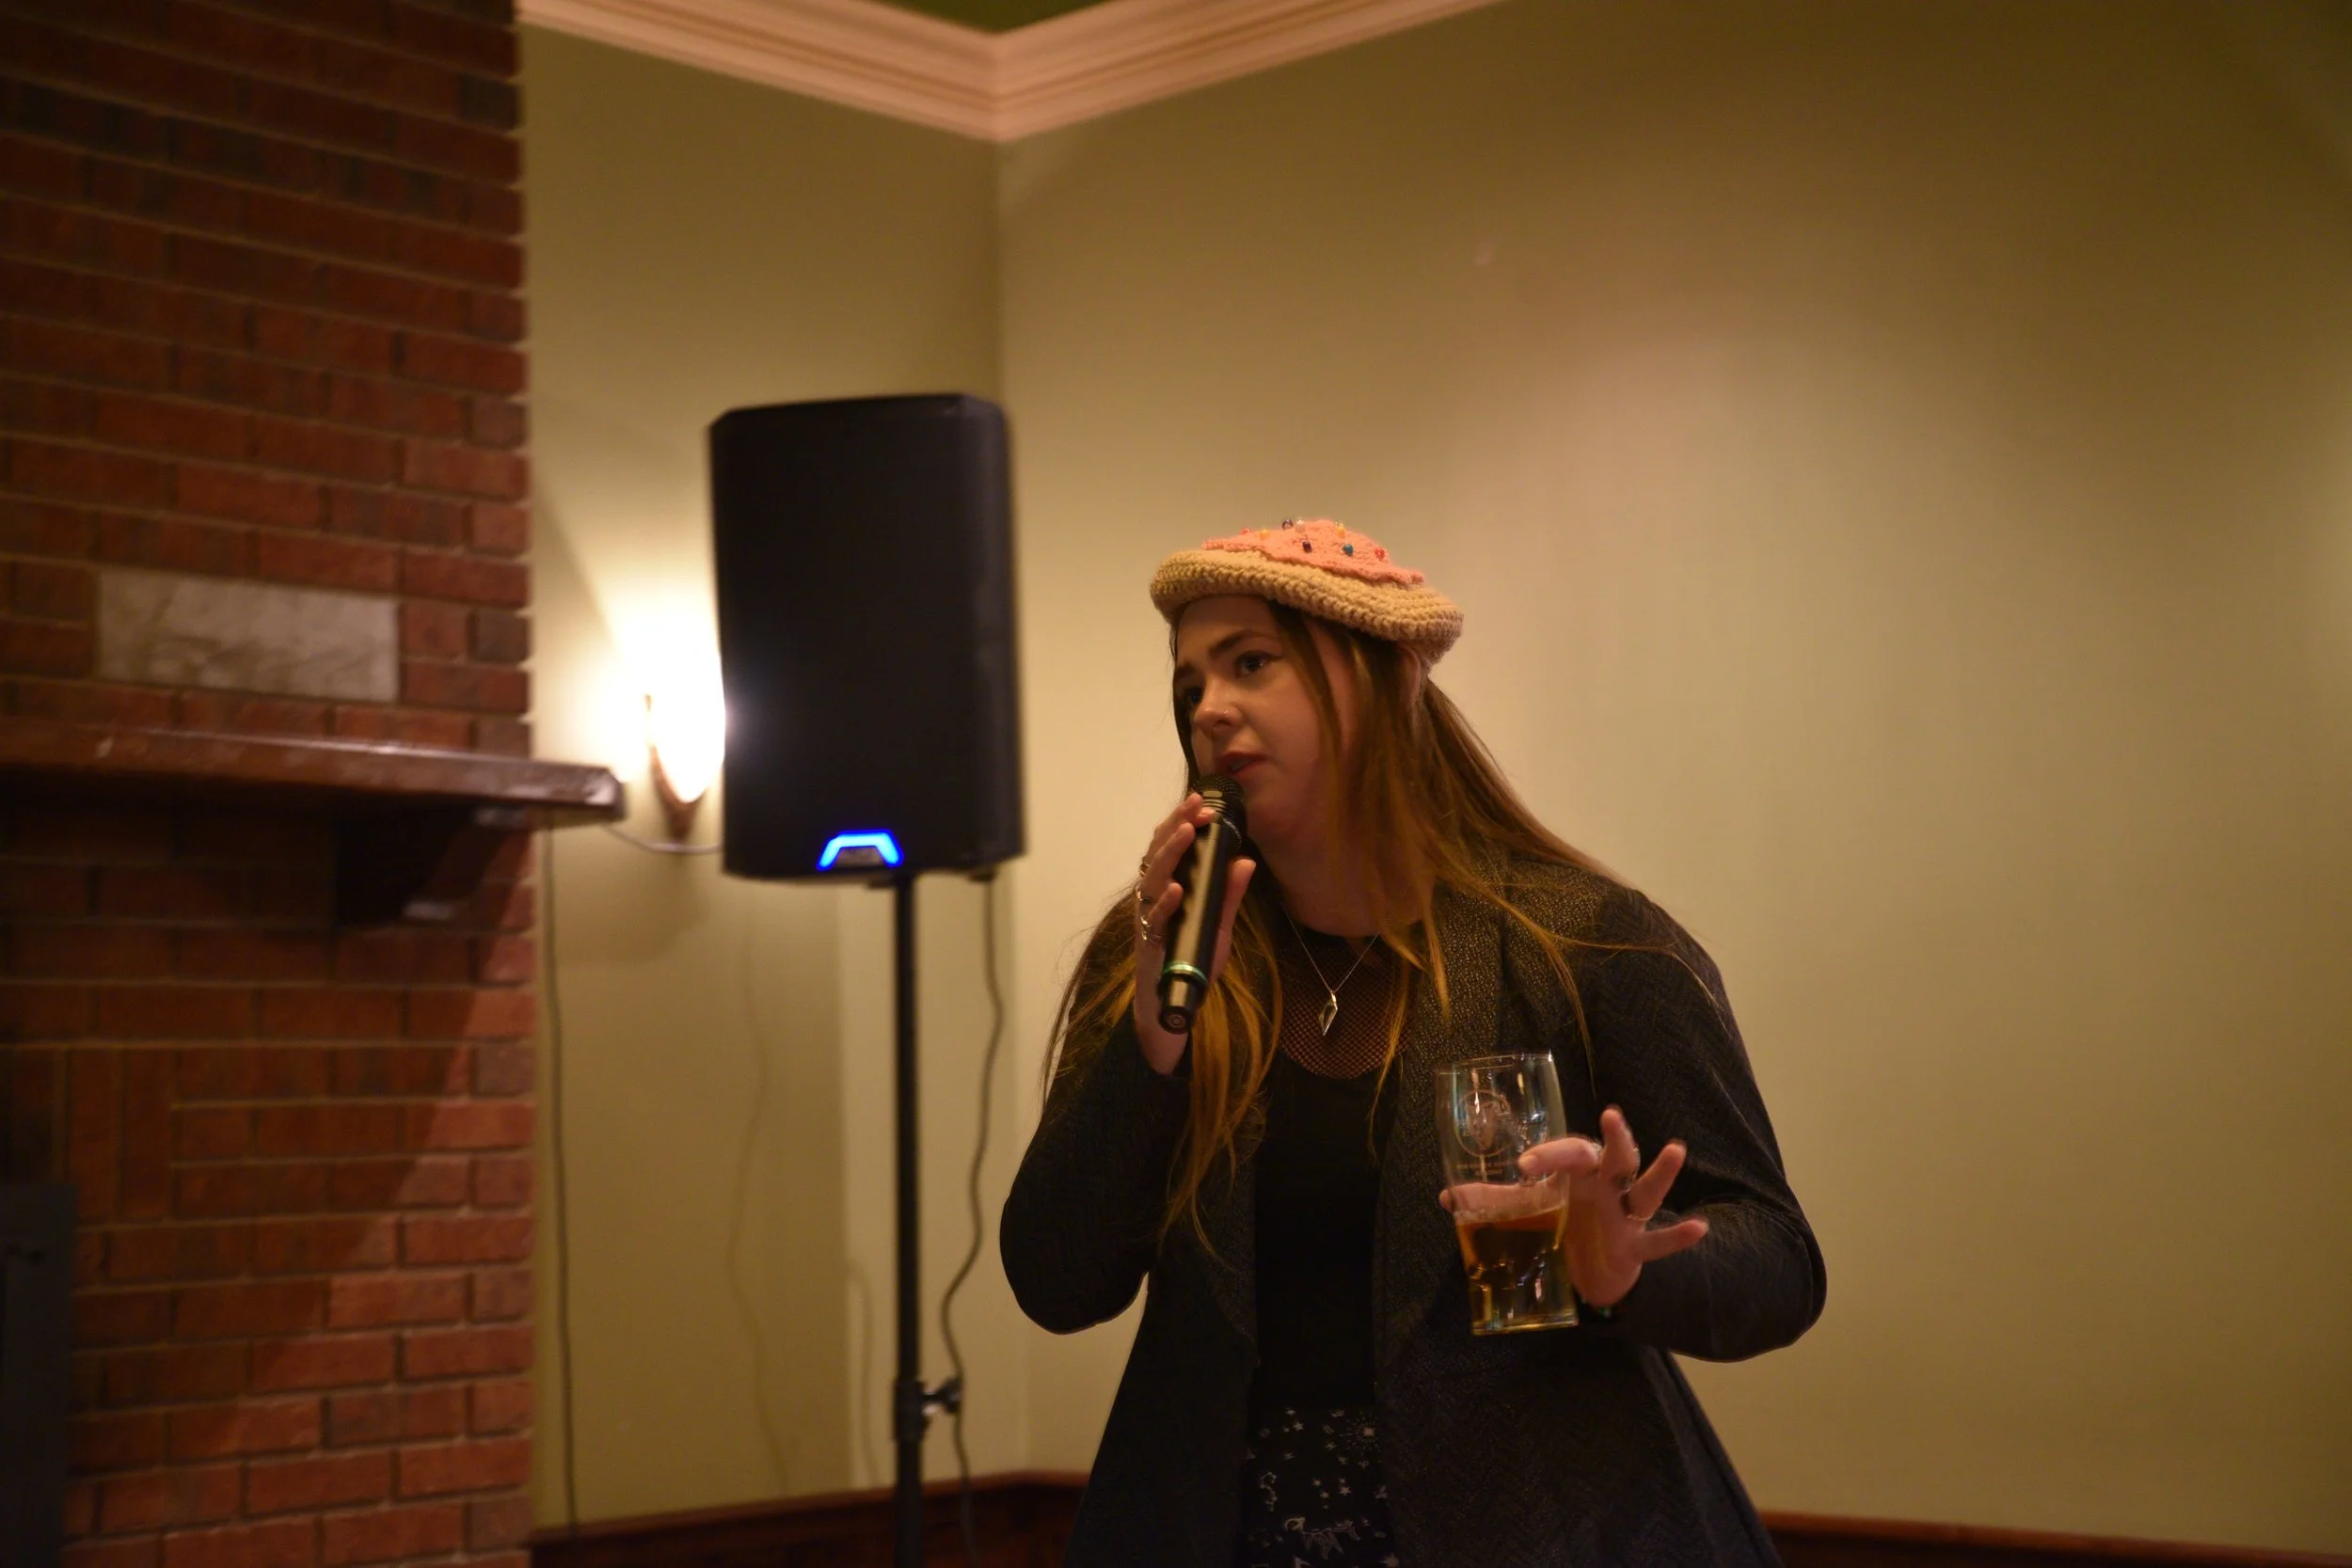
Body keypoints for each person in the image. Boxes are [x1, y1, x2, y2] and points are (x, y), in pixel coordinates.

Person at [1002, 519, 1825, 1566]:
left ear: (1378, 678)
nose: (1208, 708)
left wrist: (1619, 1270)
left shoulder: (1585, 943)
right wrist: (1154, 1041)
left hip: (1543, 1525)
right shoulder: (1161, 950)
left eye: (1251, 661)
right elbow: (1055, 1280)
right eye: (1188, 684)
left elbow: (1780, 1261)